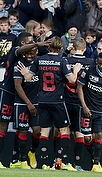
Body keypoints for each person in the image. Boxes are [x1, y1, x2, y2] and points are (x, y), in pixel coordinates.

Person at [17, 36, 81, 170]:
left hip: (42, 100)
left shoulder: (39, 60)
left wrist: (24, 73)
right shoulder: (62, 61)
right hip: (57, 100)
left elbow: (28, 78)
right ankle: (63, 161)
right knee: (64, 130)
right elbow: (72, 80)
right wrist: (75, 70)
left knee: (44, 131)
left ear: (48, 47)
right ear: (60, 48)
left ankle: (44, 163)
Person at [0, 31, 51, 168]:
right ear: (23, 43)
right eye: (30, 41)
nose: (33, 43)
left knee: (21, 128)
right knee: (3, 127)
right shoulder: (14, 51)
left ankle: (16, 160)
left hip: (21, 95)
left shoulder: (31, 57)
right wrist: (36, 43)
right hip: (7, 92)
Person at [77, 52, 102, 172]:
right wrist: (84, 106)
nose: (101, 66)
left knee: (99, 135)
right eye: (99, 63)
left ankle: (96, 163)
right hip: (87, 109)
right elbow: (79, 87)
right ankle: (93, 156)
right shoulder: (89, 71)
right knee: (87, 138)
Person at [63, 38, 95, 171]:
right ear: (85, 49)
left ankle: (63, 161)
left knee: (64, 131)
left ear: (73, 47)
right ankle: (78, 164)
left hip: (66, 99)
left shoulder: (65, 61)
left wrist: (66, 52)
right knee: (80, 133)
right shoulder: (91, 63)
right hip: (83, 102)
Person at [13, 47, 40, 169]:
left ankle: (32, 152)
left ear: (37, 52)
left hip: (37, 102)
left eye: (32, 52)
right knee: (23, 130)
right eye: (27, 53)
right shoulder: (19, 64)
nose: (29, 55)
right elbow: (18, 86)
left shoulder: (40, 63)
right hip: (22, 102)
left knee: (37, 130)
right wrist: (29, 103)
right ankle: (23, 161)